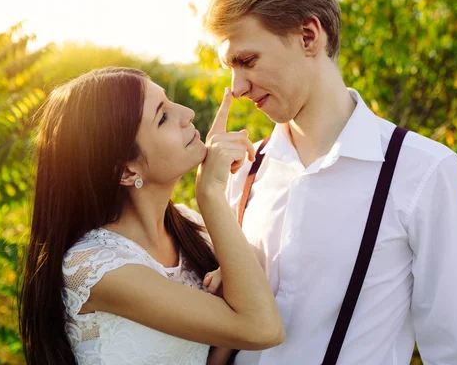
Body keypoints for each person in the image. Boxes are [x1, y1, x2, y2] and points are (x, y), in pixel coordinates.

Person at [201, 0, 457, 364]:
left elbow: (456, 350)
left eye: (247, 60)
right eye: (229, 68)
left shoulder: (423, 170)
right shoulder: (244, 172)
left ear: (308, 36)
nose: (236, 87)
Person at [18, 67, 284, 365]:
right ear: (127, 171)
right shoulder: (96, 267)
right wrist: (211, 193)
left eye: (169, 102)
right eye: (163, 117)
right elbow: (263, 329)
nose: (187, 113)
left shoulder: (190, 229)